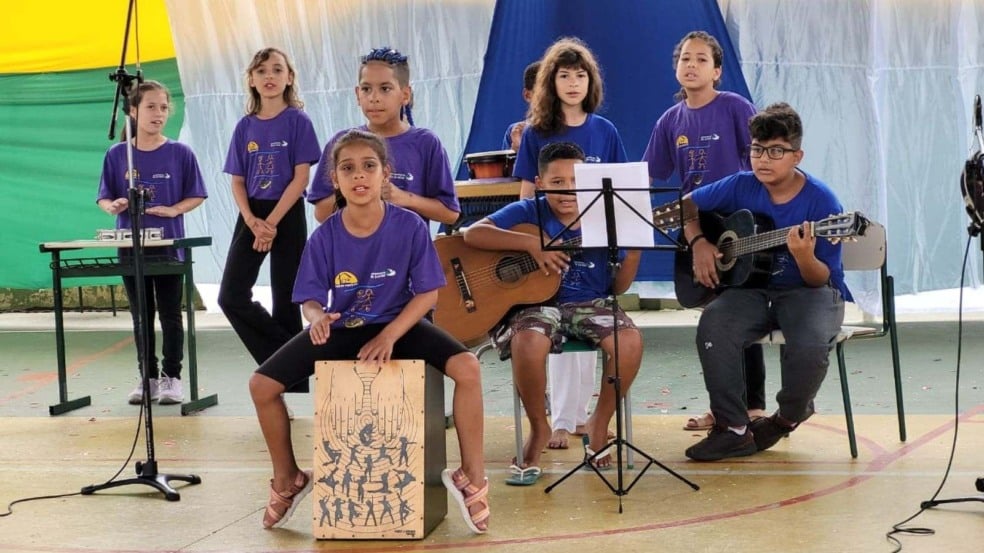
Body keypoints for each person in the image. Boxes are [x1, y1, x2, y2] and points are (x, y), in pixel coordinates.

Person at [249, 129, 489, 533]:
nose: (359, 176)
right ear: (335, 181)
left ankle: (471, 477)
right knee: (261, 386)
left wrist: (390, 335)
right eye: (347, 168)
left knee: (468, 368)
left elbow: (427, 294)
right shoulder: (325, 235)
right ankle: (288, 478)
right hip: (343, 327)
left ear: (385, 174)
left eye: (368, 166)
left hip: (399, 325)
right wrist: (316, 317)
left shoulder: (410, 225)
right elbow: (308, 298)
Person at [681, 103, 850, 461]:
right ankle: (734, 429)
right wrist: (699, 243)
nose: (763, 159)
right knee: (714, 325)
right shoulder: (742, 185)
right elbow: (686, 207)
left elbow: (822, 276)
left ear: (797, 155)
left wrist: (804, 255)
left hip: (810, 290)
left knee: (809, 345)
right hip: (752, 289)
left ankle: (787, 417)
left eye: (776, 151)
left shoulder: (822, 201)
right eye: (757, 149)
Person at [464, 142, 642, 481]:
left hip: (591, 302)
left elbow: (617, 289)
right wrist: (532, 244)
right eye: (557, 182)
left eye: (576, 180)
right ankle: (539, 427)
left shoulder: (605, 215)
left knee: (629, 342)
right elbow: (474, 233)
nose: (568, 190)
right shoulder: (529, 212)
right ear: (540, 182)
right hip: (538, 305)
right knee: (528, 342)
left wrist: (633, 254)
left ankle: (599, 423)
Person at [640, 30, 765, 432]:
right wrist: (696, 239)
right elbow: (653, 177)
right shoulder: (669, 120)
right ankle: (724, 408)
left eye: (701, 59)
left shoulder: (734, 107)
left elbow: (763, 164)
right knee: (713, 320)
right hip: (699, 227)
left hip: (742, 225)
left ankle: (755, 408)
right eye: (684, 59)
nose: (691, 65)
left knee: (739, 313)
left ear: (717, 71)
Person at [512, 37, 628, 451]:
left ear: (590, 82)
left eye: (581, 75)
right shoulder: (536, 132)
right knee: (556, 323)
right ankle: (559, 420)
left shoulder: (606, 130)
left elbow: (620, 190)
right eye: (564, 75)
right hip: (550, 245)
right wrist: (533, 237)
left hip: (594, 248)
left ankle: (582, 418)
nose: (573, 83)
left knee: (591, 324)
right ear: (551, 82)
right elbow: (528, 190)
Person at [97, 80, 207, 405]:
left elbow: (197, 193)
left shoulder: (180, 153)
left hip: (169, 247)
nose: (159, 114)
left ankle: (172, 378)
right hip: (131, 246)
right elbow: (103, 197)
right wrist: (113, 206)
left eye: (163, 107)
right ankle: (147, 378)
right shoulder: (118, 155)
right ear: (133, 111)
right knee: (141, 315)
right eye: (150, 107)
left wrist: (174, 209)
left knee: (171, 314)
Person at [218, 47, 322, 385]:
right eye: (261, 71)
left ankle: (292, 386)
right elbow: (236, 180)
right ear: (251, 79)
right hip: (252, 216)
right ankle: (289, 361)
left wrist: (273, 223)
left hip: (286, 213)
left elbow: (301, 178)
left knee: (285, 297)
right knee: (231, 296)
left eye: (277, 70)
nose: (269, 77)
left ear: (289, 78)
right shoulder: (244, 126)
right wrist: (251, 220)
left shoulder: (297, 121)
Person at [309, 46, 459, 227]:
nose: (374, 98)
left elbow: (450, 213)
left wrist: (404, 198)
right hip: (355, 253)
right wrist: (355, 192)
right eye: (366, 89)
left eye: (385, 89)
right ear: (357, 95)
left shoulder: (426, 143)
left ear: (405, 95)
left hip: (408, 253)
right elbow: (320, 213)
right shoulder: (342, 143)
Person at [501, 61, 540, 152]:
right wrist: (516, 149)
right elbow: (506, 166)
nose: (549, 98)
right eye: (542, 93)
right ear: (527, 95)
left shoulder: (573, 127)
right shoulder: (516, 132)